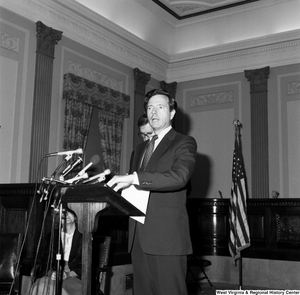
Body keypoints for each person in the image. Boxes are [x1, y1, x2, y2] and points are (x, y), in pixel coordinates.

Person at [107, 89, 197, 295]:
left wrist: (134, 178)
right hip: (138, 238)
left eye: (160, 107)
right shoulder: (139, 150)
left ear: (172, 113)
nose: (153, 112)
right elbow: (134, 189)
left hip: (167, 239)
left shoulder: (184, 142)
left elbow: (180, 177)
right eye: (149, 108)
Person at [29, 206, 82, 295]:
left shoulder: (85, 236)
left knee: (55, 289)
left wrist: (68, 274)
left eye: (70, 211)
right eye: (63, 212)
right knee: (40, 285)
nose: (66, 215)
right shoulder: (51, 236)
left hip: (76, 277)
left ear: (76, 215)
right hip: (54, 276)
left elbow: (88, 264)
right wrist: (51, 273)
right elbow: (44, 262)